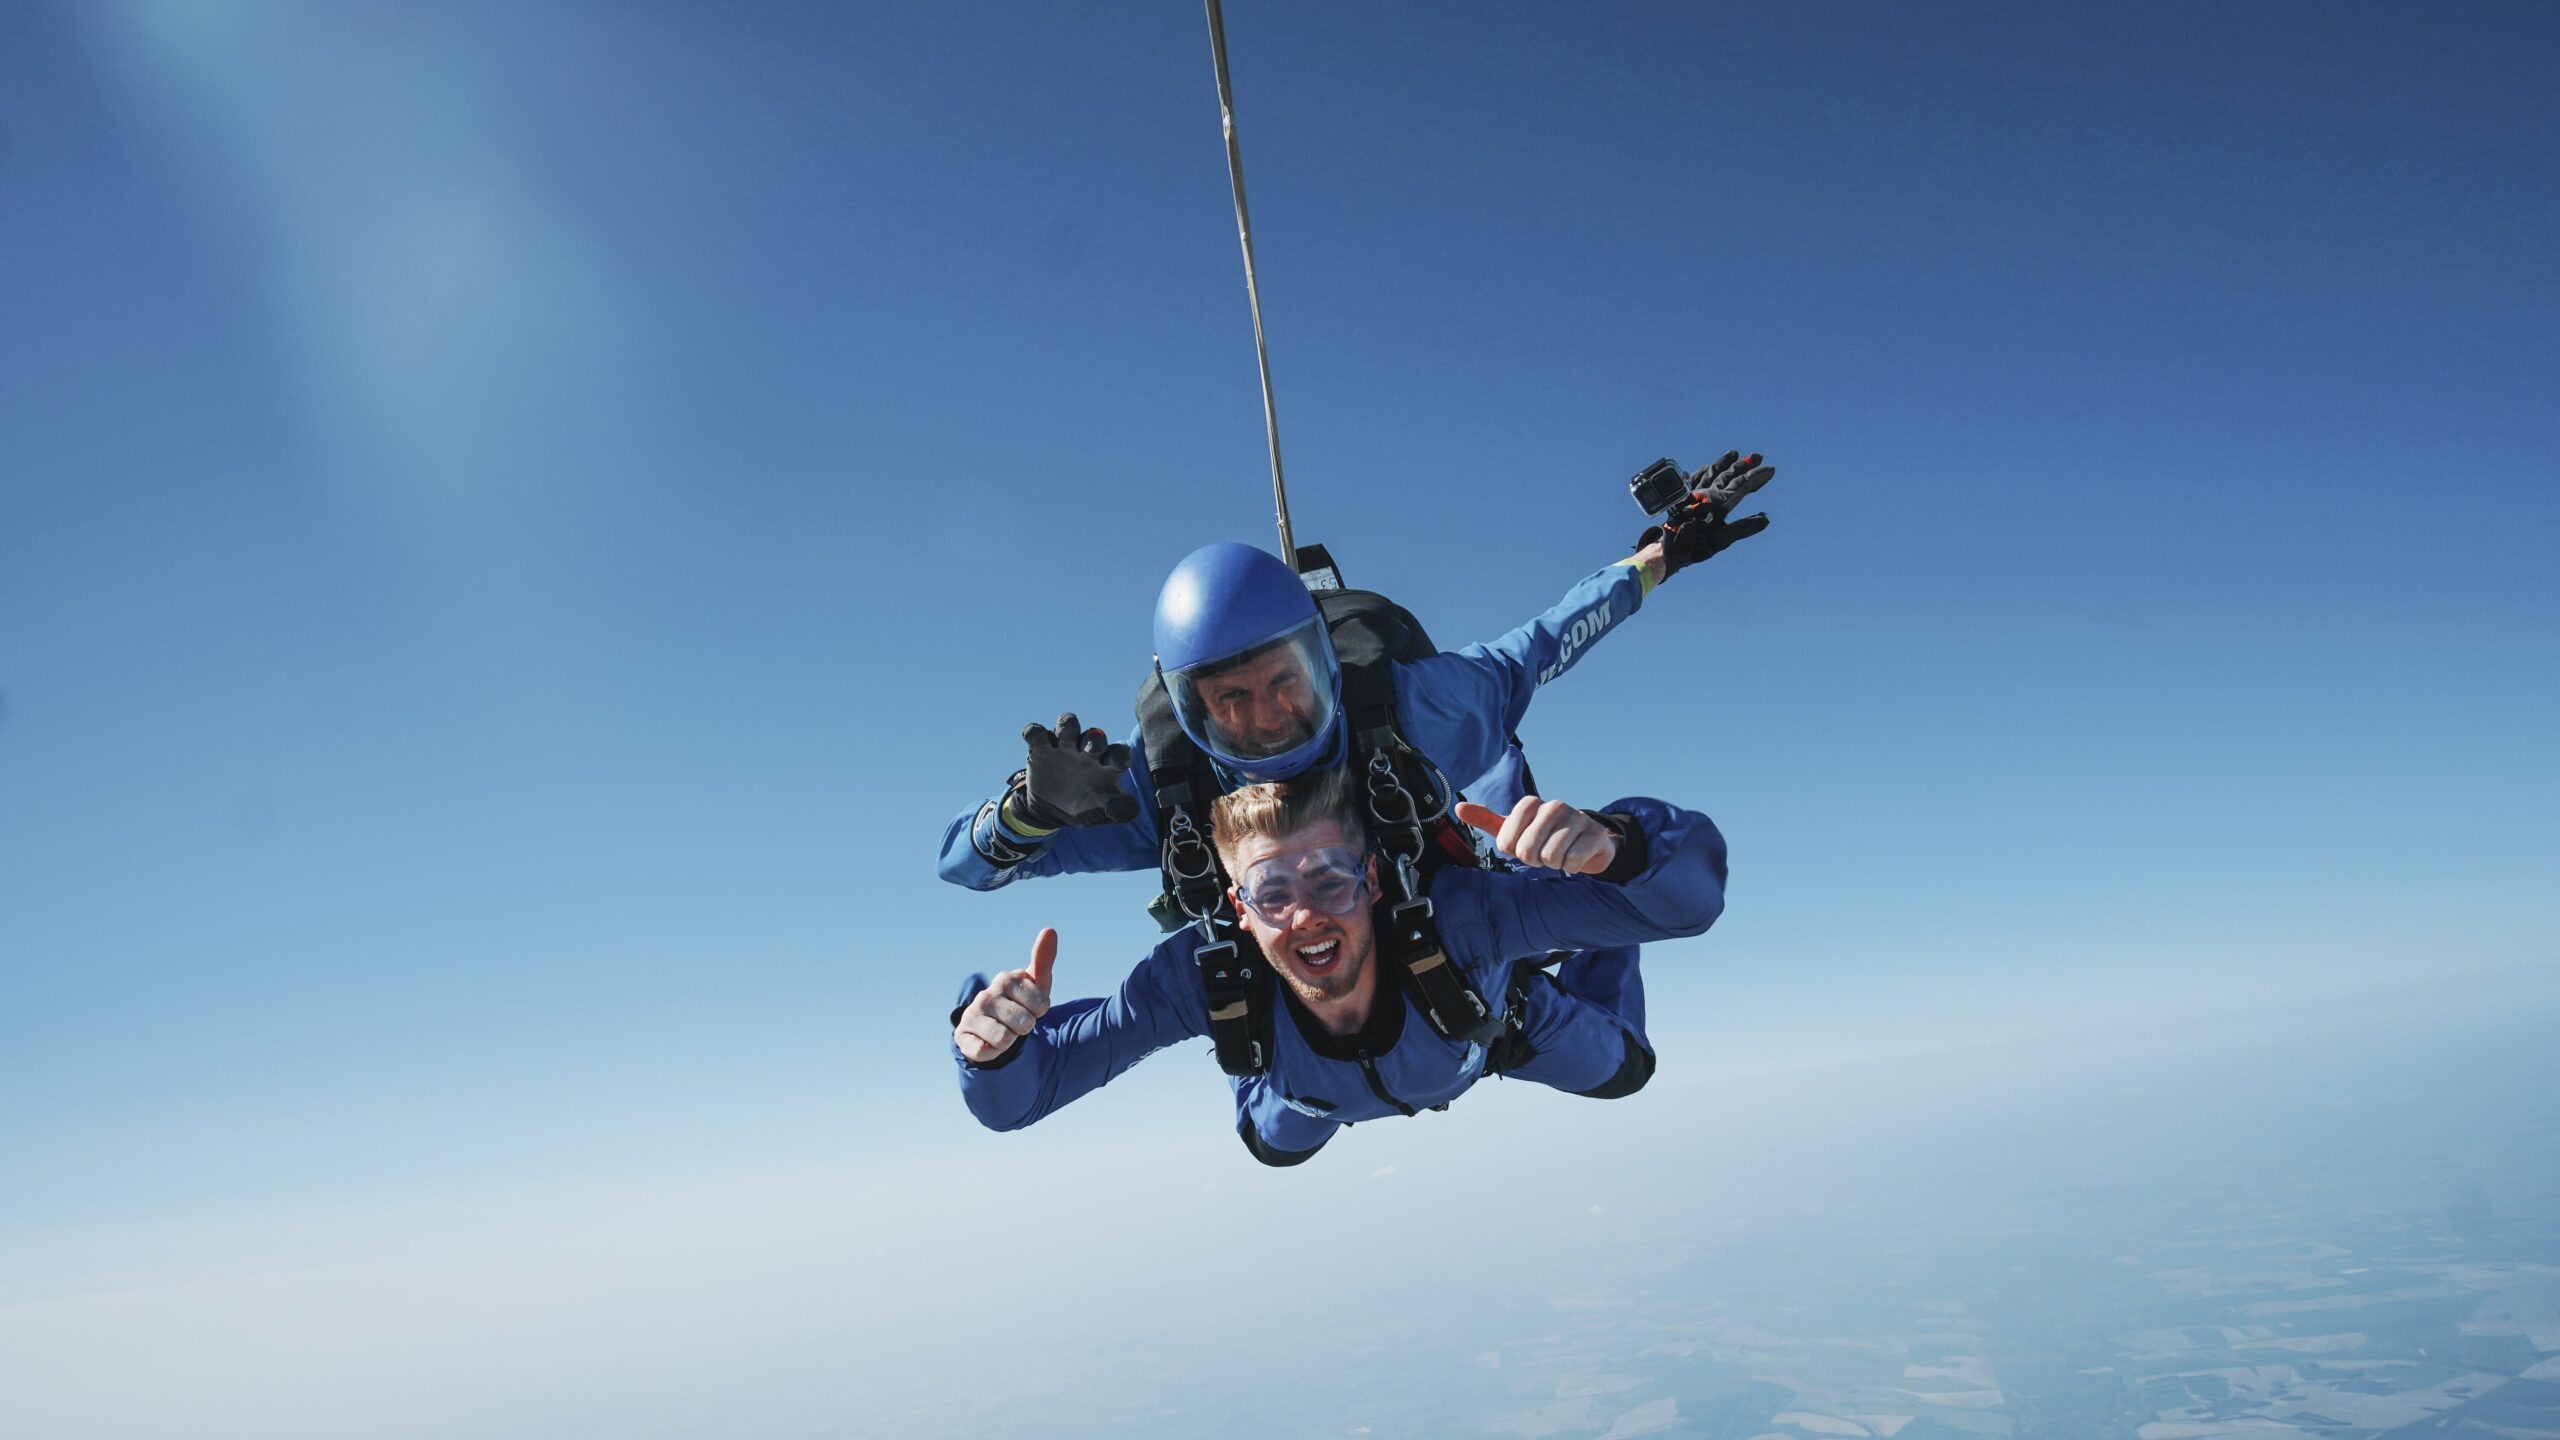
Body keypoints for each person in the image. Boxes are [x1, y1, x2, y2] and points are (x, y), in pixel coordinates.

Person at [937, 450, 1775, 892]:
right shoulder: (1164, 788)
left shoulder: (1420, 710)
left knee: (1603, 1057)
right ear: (1188, 709)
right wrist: (1030, 812)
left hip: (1443, 908)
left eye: (1284, 680)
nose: (1267, 719)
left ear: (1324, 659)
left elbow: (1548, 640)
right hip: (1304, 980)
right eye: (1230, 699)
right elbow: (964, 868)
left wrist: (1660, 555)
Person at [949, 767, 1728, 1165]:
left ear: (1375, 879)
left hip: (1496, 1031)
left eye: (1329, 876)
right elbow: (1020, 1100)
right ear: (1237, 907)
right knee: (1270, 1146)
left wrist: (1616, 851)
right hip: (1302, 1096)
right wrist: (993, 1048)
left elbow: (1684, 903)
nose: (1307, 914)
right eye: (1272, 891)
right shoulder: (1204, 972)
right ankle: (1255, 1049)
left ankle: (1575, 894)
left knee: (1627, 1067)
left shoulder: (1459, 919)